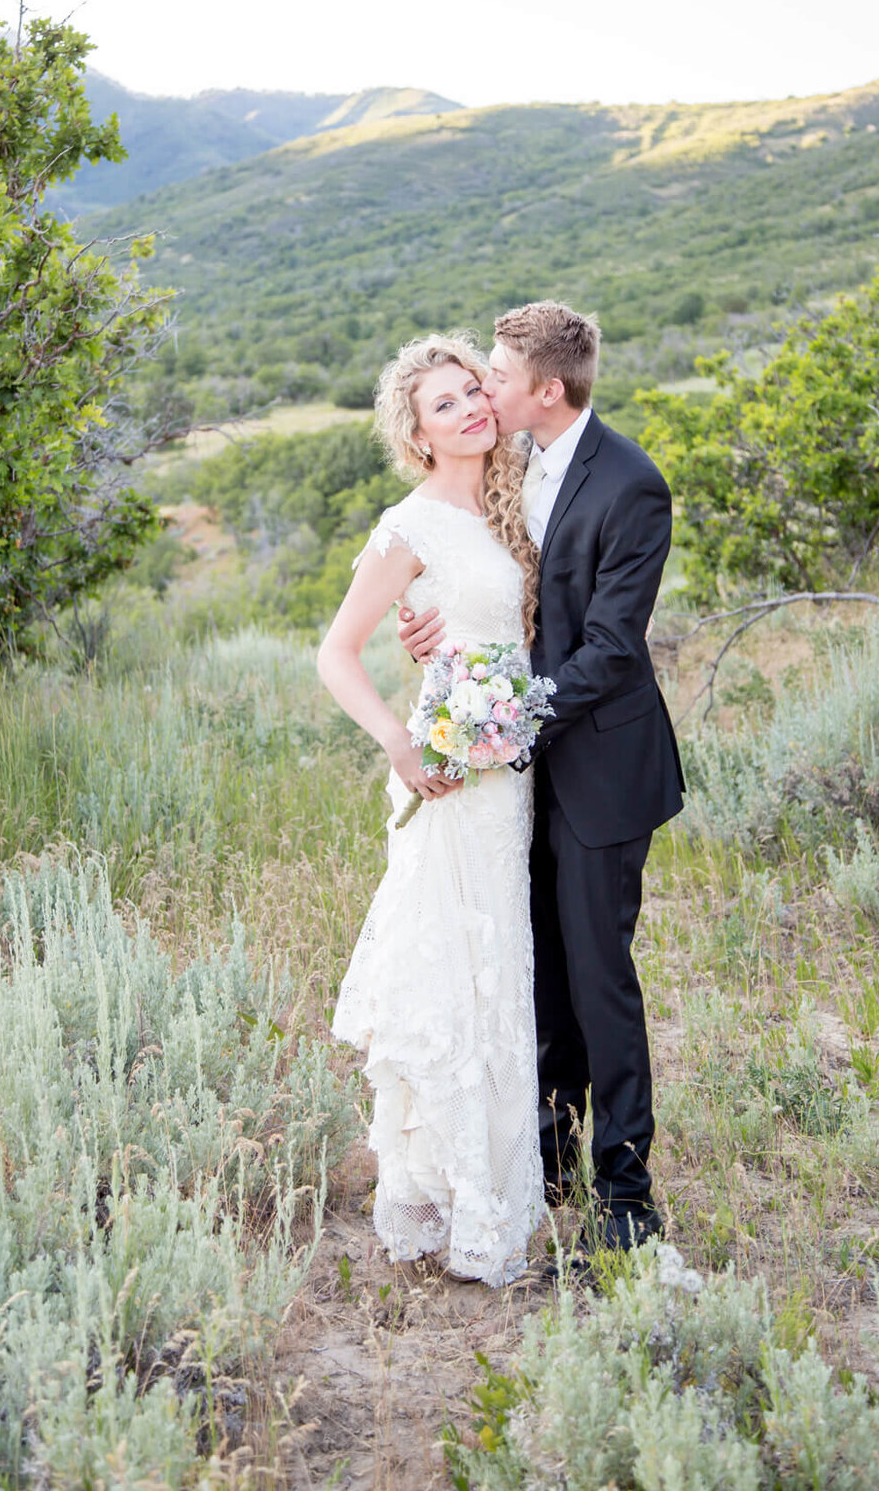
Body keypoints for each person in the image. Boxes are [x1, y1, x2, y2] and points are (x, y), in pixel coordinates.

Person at [398, 301, 685, 1254]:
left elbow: (610, 649)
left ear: (546, 390)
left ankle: (626, 1191)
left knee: (601, 981)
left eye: (497, 375)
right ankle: (549, 1161)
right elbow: (486, 588)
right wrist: (430, 631)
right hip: (519, 775)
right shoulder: (507, 470)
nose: (484, 387)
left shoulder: (632, 485)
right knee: (543, 978)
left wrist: (500, 717)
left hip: (599, 763)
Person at [317, 333, 544, 1285]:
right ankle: (455, 1193)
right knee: (460, 969)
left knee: (506, 971)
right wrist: (401, 744)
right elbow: (335, 652)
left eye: (473, 392)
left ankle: (500, 1181)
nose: (471, 411)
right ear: (417, 436)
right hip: (450, 775)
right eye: (445, 405)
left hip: (515, 773)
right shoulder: (408, 528)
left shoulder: (518, 493)